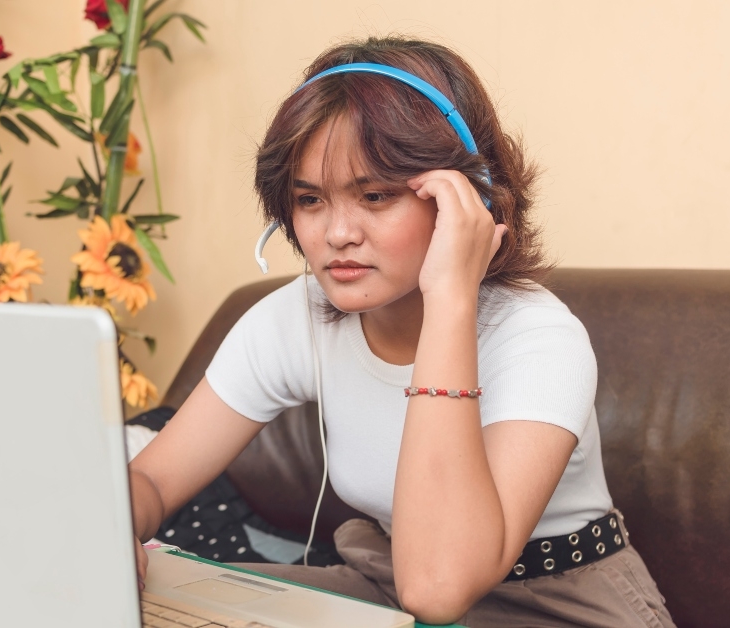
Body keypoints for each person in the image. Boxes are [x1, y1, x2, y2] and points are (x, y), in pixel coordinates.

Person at [128, 35, 676, 628]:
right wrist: (111, 536)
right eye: (310, 199)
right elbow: (153, 480)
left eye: (375, 195)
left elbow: (440, 588)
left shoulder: (537, 337)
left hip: (557, 604)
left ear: (470, 198)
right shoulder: (296, 317)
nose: (338, 233)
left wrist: (449, 300)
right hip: (383, 585)